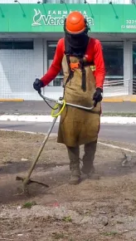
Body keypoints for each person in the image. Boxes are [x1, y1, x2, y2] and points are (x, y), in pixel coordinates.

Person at [33, 11, 104, 184]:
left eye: (79, 35)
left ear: (85, 31)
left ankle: (88, 166)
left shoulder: (95, 44)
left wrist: (100, 89)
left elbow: (101, 69)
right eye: (73, 35)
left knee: (91, 134)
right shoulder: (61, 45)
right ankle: (75, 170)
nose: (76, 39)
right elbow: (55, 68)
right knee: (70, 135)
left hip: (90, 97)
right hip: (71, 97)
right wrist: (42, 81)